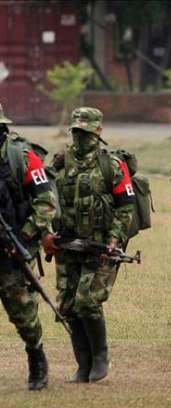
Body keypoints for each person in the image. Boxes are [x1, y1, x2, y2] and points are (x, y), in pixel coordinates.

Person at [49, 107, 135, 382]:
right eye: (76, 131)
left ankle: (100, 359)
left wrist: (113, 239)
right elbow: (44, 197)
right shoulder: (61, 161)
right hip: (67, 246)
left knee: (88, 301)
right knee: (68, 305)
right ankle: (82, 364)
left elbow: (125, 207)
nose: (80, 137)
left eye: (86, 132)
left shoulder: (111, 164)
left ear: (98, 131)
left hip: (99, 247)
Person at [0, 102, 56, 390]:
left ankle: (36, 356)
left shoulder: (21, 155)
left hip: (12, 248)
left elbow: (47, 202)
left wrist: (24, 236)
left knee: (22, 312)